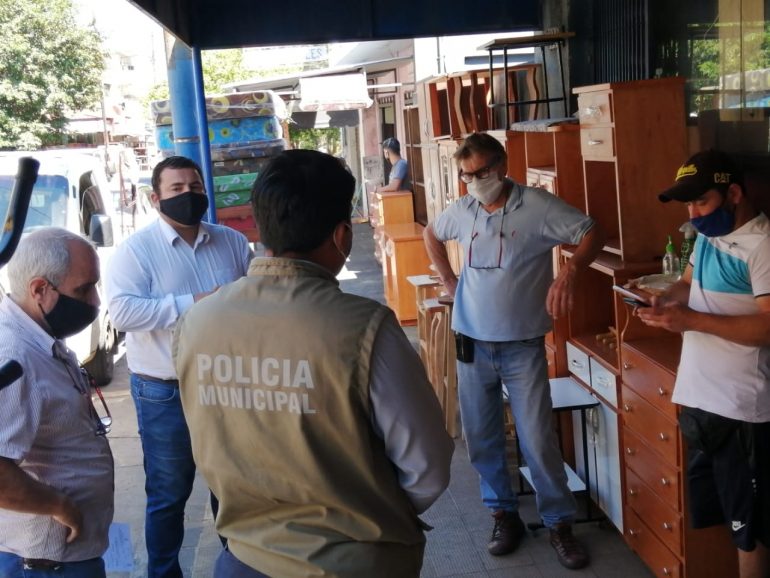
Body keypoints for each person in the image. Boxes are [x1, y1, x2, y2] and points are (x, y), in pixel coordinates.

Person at [173, 149, 454, 578]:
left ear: (262, 225)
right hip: (354, 562)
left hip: (244, 558)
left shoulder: (196, 322)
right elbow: (427, 467)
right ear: (342, 235)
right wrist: (371, 512)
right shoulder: (365, 327)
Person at [423, 132, 605, 570]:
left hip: (522, 344)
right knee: (482, 437)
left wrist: (569, 273)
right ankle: (503, 515)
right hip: (471, 340)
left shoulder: (537, 206)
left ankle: (559, 523)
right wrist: (448, 279)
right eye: (466, 175)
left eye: (482, 172)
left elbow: (591, 232)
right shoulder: (462, 210)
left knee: (537, 438)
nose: (475, 181)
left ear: (503, 166)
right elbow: (431, 233)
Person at [106, 155, 252, 578]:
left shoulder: (232, 242)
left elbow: (253, 297)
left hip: (225, 382)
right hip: (164, 389)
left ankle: (239, 566)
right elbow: (123, 313)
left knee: (232, 485)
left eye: (195, 187)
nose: (188, 195)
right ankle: (164, 572)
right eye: (177, 189)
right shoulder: (135, 251)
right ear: (156, 199)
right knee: (169, 493)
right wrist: (195, 304)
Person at [638, 149, 770, 578]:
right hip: (702, 402)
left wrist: (691, 320)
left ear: (733, 194)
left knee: (750, 530)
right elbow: (685, 284)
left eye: (702, 202)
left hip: (742, 410)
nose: (694, 214)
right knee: (718, 519)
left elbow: (768, 327)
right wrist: (662, 302)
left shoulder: (763, 245)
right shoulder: (708, 238)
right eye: (688, 205)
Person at [0, 227, 114, 578]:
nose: (95, 302)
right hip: (46, 563)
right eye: (83, 289)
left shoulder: (38, 337)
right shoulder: (14, 357)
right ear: (39, 290)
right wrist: (58, 505)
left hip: (68, 555)